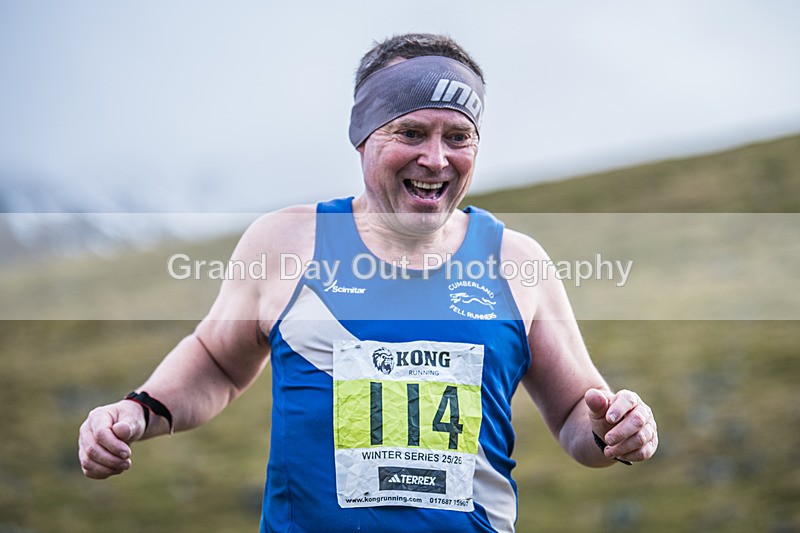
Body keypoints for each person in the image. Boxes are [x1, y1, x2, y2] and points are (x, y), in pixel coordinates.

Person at [78, 33, 658, 532]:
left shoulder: (518, 262)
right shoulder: (286, 243)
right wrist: (138, 410)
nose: (436, 158)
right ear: (362, 136)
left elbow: (577, 418)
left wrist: (616, 431)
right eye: (411, 132)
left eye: (459, 137)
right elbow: (215, 362)